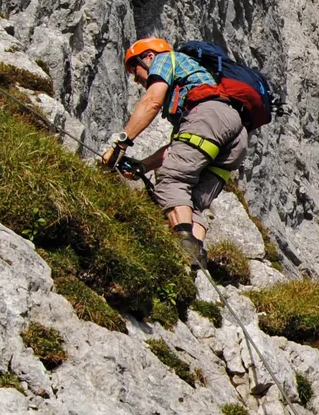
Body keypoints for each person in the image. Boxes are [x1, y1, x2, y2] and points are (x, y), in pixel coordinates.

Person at [101, 37, 249, 265]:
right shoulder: (194, 87)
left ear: (148, 57)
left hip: (209, 119)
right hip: (236, 135)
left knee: (171, 182)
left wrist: (121, 144)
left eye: (135, 70)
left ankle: (182, 250)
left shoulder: (163, 60)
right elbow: (175, 150)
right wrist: (142, 166)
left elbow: (151, 101)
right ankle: (195, 262)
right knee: (194, 202)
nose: (137, 79)